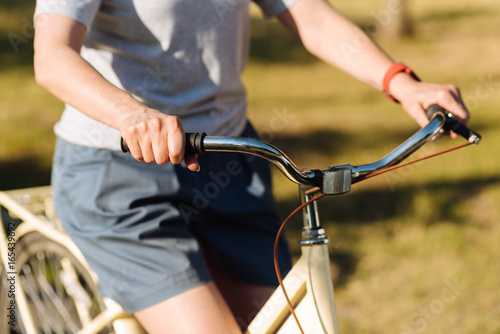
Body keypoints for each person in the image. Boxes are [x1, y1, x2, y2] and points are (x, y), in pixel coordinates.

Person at [33, 0, 469, 333]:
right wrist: (130, 114)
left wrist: (401, 83)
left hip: (228, 164)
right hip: (121, 176)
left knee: (284, 324)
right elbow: (51, 55)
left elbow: (310, 16)